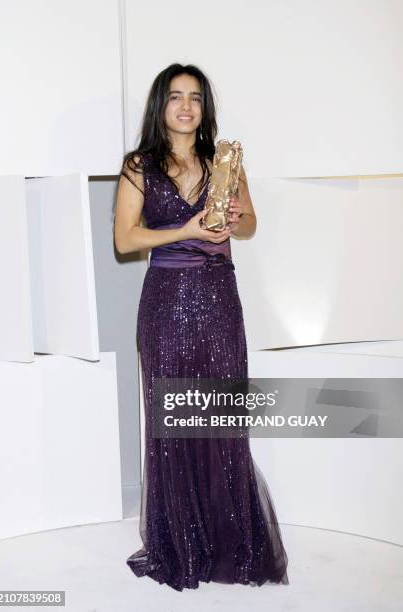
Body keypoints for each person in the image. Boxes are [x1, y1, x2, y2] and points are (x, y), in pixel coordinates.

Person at [114, 63, 289, 592]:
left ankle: (227, 540)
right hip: (166, 302)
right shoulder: (138, 165)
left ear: (205, 107)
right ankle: (180, 543)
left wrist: (237, 218)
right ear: (160, 106)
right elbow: (125, 240)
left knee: (220, 418)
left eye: (194, 97)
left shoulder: (225, 161)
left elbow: (252, 224)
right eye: (175, 97)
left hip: (219, 301)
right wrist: (184, 230)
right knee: (172, 419)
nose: (186, 106)